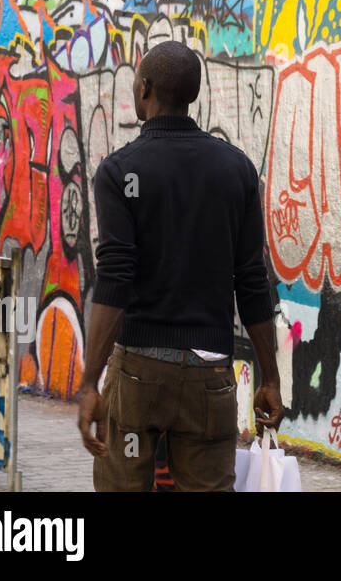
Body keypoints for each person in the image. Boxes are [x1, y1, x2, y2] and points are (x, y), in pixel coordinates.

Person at [77, 40, 284, 491]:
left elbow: (115, 276)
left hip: (138, 379)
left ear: (145, 88)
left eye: (136, 80)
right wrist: (270, 378)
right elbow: (252, 280)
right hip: (209, 379)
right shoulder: (237, 171)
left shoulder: (120, 172)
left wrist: (91, 381)